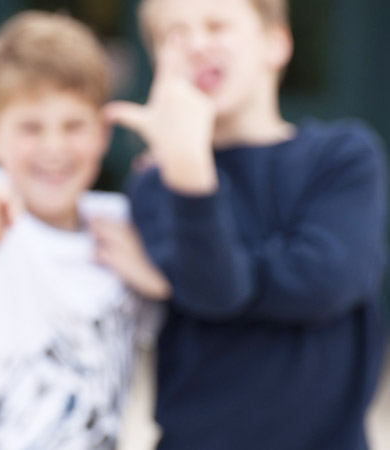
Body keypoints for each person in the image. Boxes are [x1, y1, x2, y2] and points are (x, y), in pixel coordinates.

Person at [104, 0, 388, 448]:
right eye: (173, 35)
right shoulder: (159, 182)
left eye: (217, 25)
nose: (197, 45)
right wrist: (189, 167)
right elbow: (215, 290)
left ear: (275, 43)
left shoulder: (344, 156)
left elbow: (326, 280)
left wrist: (180, 281)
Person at [0, 11, 168, 450]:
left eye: (73, 126)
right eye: (31, 127)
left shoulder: (122, 224)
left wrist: (153, 273)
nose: (54, 147)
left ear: (102, 133)